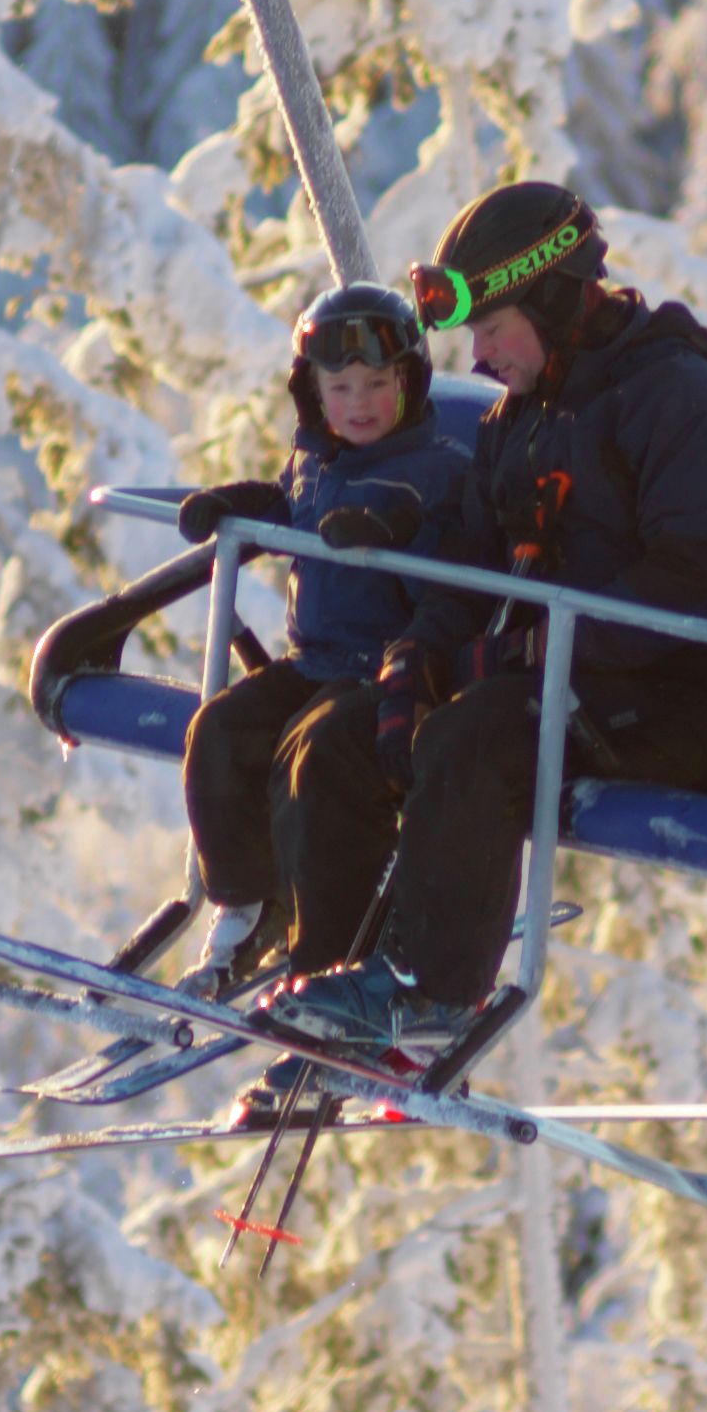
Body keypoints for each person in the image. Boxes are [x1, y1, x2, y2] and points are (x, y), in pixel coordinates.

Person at [280, 177, 707, 1057]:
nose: (479, 359)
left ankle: (428, 994)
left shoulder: (679, 402)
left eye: (492, 329)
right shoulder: (528, 416)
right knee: (355, 730)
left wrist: (526, 651)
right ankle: (329, 981)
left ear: (552, 299)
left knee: (476, 736)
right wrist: (417, 656)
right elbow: (473, 560)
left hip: (674, 699)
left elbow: (690, 586)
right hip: (559, 678)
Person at [163, 278, 487, 988]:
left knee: (315, 762)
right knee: (220, 730)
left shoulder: (435, 472)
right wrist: (239, 506)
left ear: (410, 383)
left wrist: (387, 529)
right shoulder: (318, 463)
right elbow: (291, 506)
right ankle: (250, 904)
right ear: (312, 394)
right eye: (340, 389)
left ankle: (325, 954)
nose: (359, 405)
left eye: (377, 384)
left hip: (390, 672)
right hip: (316, 662)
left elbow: (441, 553)